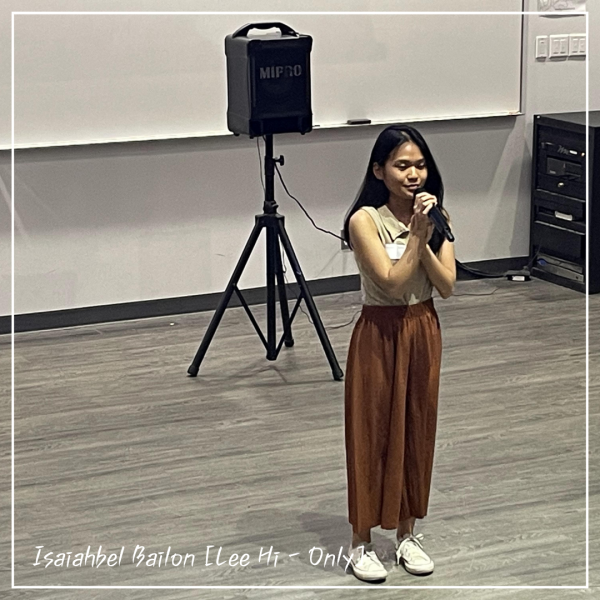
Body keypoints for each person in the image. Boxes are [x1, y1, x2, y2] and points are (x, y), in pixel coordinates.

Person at [342, 124, 456, 583]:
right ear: (379, 170)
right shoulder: (365, 221)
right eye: (402, 165)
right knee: (371, 433)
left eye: (420, 166)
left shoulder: (436, 217)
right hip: (380, 331)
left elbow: (446, 285)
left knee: (416, 430)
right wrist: (415, 237)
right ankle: (360, 542)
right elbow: (390, 282)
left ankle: (407, 533)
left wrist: (425, 236)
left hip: (423, 328)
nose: (413, 175)